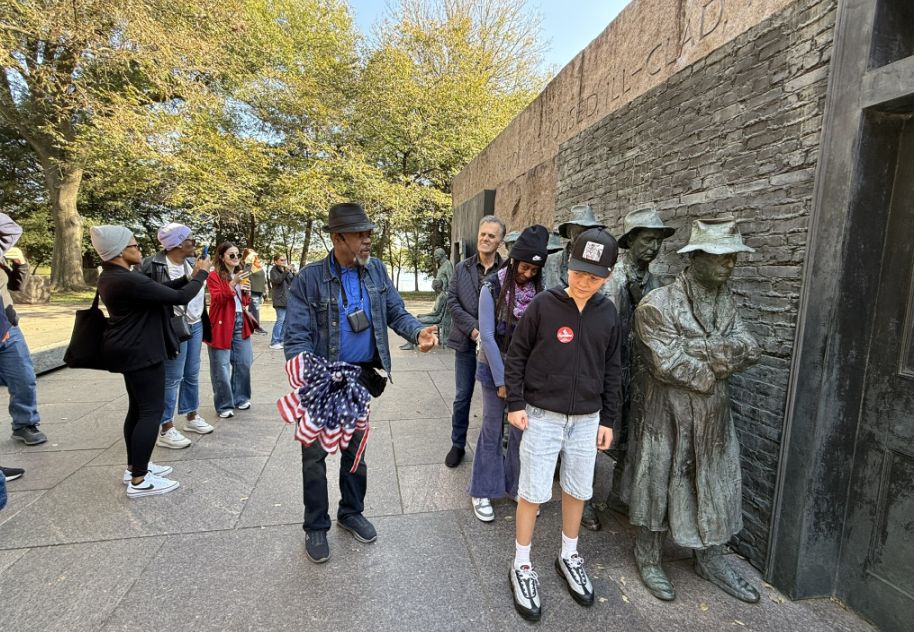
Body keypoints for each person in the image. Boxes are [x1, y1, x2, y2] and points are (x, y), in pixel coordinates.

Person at [284, 202, 437, 564]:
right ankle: (316, 526)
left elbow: (395, 311)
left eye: (369, 233)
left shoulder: (376, 270)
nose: (368, 239)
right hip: (322, 382)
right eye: (360, 234)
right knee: (314, 456)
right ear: (338, 238)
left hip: (360, 381)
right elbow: (296, 335)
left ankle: (351, 512)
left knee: (356, 452)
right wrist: (310, 375)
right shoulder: (309, 278)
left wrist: (417, 333)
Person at [623, 218, 761, 603]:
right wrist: (716, 358)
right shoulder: (657, 304)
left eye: (733, 256)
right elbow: (668, 364)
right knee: (658, 482)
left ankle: (710, 558)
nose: (730, 264)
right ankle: (648, 555)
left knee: (714, 482)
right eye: (721, 256)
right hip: (667, 416)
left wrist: (698, 349)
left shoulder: (726, 302)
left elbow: (750, 348)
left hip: (714, 417)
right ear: (695, 257)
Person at [503, 227, 622, 621]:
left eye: (594, 277)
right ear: (568, 265)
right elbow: (517, 355)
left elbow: (613, 369)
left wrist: (608, 418)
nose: (584, 282)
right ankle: (522, 563)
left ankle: (569, 554)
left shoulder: (608, 314)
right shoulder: (544, 305)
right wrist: (515, 403)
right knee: (533, 491)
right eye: (578, 272)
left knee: (578, 488)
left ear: (608, 276)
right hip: (542, 415)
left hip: (588, 419)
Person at [92, 225, 211, 498]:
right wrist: (202, 274)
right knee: (150, 412)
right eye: (133, 245)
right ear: (119, 251)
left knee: (137, 410)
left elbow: (160, 290)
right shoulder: (126, 279)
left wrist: (188, 277)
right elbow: (180, 298)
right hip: (142, 351)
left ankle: (135, 467)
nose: (139, 249)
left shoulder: (114, 276)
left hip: (130, 349)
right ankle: (140, 480)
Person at [580, 208, 676, 531]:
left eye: (658, 241)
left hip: (640, 377)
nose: (653, 247)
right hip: (607, 373)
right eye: (647, 239)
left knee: (632, 439)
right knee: (595, 438)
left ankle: (620, 494)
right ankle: (583, 500)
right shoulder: (610, 281)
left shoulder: (657, 285)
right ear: (631, 240)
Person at [469, 224, 549, 523]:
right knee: (492, 428)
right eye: (524, 267)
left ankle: (517, 487)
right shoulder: (491, 287)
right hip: (495, 366)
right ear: (514, 260)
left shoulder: (540, 292)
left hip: (527, 370)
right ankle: (482, 490)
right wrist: (502, 381)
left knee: (521, 430)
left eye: (534, 270)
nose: (527, 274)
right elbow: (488, 337)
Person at [140, 223, 214, 450]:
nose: (194, 242)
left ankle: (191, 415)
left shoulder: (192, 263)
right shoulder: (153, 265)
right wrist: (201, 274)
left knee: (192, 372)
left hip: (195, 323)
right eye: (190, 239)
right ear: (179, 243)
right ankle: (166, 427)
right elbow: (170, 295)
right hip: (172, 326)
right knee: (173, 377)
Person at [444, 215, 504, 467]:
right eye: (483, 234)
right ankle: (458, 444)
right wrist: (474, 329)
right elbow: (452, 301)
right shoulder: (462, 268)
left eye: (491, 235)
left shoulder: (506, 271)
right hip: (467, 343)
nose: (485, 239)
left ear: (500, 241)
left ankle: (495, 446)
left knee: (498, 398)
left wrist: (489, 332)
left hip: (496, 346)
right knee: (462, 396)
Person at [0, 215, 46, 447]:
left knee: (24, 378)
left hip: (7, 327)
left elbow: (15, 286)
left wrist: (21, 265)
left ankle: (25, 424)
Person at [206, 242, 255, 419]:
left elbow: (244, 302)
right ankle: (224, 404)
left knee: (244, 362)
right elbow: (218, 298)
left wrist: (246, 293)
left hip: (241, 320)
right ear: (221, 257)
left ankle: (240, 398)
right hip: (221, 323)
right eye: (231, 255)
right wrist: (233, 283)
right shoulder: (213, 275)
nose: (236, 258)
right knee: (221, 366)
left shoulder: (241, 274)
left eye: (238, 255)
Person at [542, 204, 605, 290]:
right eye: (580, 232)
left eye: (589, 232)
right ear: (569, 232)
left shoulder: (602, 264)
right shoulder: (550, 262)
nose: (584, 237)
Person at [399, 278, 450, 350]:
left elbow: (436, 313)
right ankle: (411, 342)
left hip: (437, 318)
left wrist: (424, 315)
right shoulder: (441, 295)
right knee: (414, 320)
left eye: (432, 285)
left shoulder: (441, 297)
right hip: (436, 316)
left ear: (436, 286)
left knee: (414, 321)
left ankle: (411, 344)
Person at [269, 253, 294, 350]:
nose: (284, 262)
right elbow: (277, 281)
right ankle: (274, 341)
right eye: (281, 260)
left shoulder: (285, 270)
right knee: (280, 320)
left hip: (287, 298)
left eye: (284, 260)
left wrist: (292, 272)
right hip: (279, 299)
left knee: (285, 321)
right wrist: (286, 271)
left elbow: (292, 281)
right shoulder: (273, 271)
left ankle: (281, 340)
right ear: (276, 261)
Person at [244, 250, 268, 334]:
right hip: (252, 291)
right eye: (252, 255)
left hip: (259, 291)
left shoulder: (259, 267)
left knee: (251, 310)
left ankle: (248, 327)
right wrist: (249, 262)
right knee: (256, 309)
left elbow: (264, 279)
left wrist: (265, 289)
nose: (255, 256)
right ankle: (257, 328)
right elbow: (245, 275)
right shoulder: (248, 266)